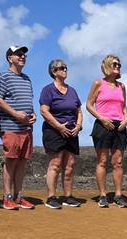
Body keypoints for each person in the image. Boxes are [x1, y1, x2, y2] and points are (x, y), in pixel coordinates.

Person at [0, 46, 37, 210]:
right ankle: (7, 197)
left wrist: (32, 115)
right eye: (18, 54)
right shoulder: (3, 76)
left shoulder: (27, 79)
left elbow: (28, 102)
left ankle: (19, 196)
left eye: (24, 54)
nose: (22, 56)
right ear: (9, 58)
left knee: (22, 163)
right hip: (10, 126)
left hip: (26, 128)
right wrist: (15, 114)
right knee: (11, 161)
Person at [40, 59, 83, 209]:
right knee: (55, 164)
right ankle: (51, 197)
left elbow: (79, 111)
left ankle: (68, 196)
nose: (65, 70)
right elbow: (44, 111)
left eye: (66, 67)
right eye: (61, 68)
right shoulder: (48, 90)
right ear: (54, 71)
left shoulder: (72, 91)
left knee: (70, 165)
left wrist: (78, 125)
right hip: (54, 131)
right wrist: (59, 126)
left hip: (72, 131)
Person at [86, 54, 127, 208]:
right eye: (115, 64)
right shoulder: (98, 83)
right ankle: (103, 195)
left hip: (119, 127)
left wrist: (126, 119)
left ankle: (118, 195)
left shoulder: (121, 86)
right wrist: (102, 118)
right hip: (103, 126)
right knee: (102, 161)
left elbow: (124, 106)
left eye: (119, 65)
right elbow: (89, 104)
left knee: (118, 162)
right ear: (107, 66)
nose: (117, 67)